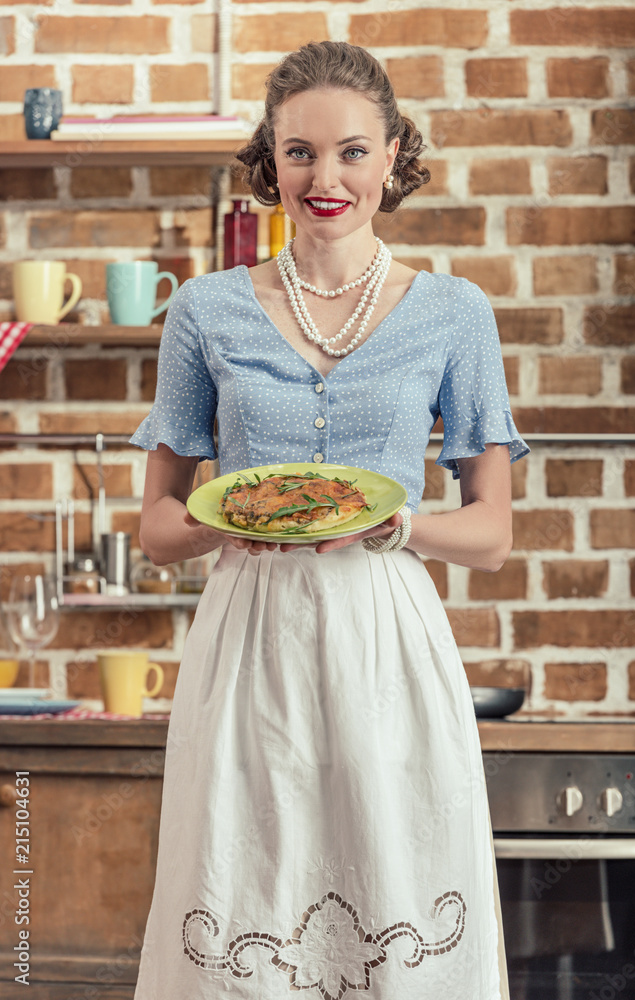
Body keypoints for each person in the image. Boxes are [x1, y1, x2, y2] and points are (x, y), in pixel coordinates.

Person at [130, 40, 528, 1000]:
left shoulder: (452, 313)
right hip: (249, 634)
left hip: (385, 636)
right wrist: (231, 520)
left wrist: (394, 528)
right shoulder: (206, 311)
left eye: (352, 151)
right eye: (299, 152)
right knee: (241, 889)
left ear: (392, 155)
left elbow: (490, 534)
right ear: (271, 162)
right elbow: (156, 524)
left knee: (395, 878)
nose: (325, 177)